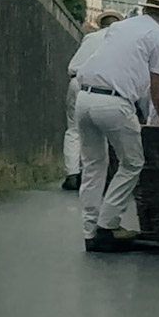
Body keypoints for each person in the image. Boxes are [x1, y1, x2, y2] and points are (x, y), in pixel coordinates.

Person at [75, 0, 159, 251]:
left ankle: (90, 231)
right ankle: (108, 224)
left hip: (84, 96)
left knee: (93, 166)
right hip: (114, 102)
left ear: (145, 9)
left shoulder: (119, 28)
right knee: (132, 162)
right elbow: (158, 86)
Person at [61, 10, 122, 190]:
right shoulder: (119, 42)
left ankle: (72, 174)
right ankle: (95, 177)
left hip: (76, 81)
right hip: (101, 87)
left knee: (73, 130)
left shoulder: (89, 38)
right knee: (101, 132)